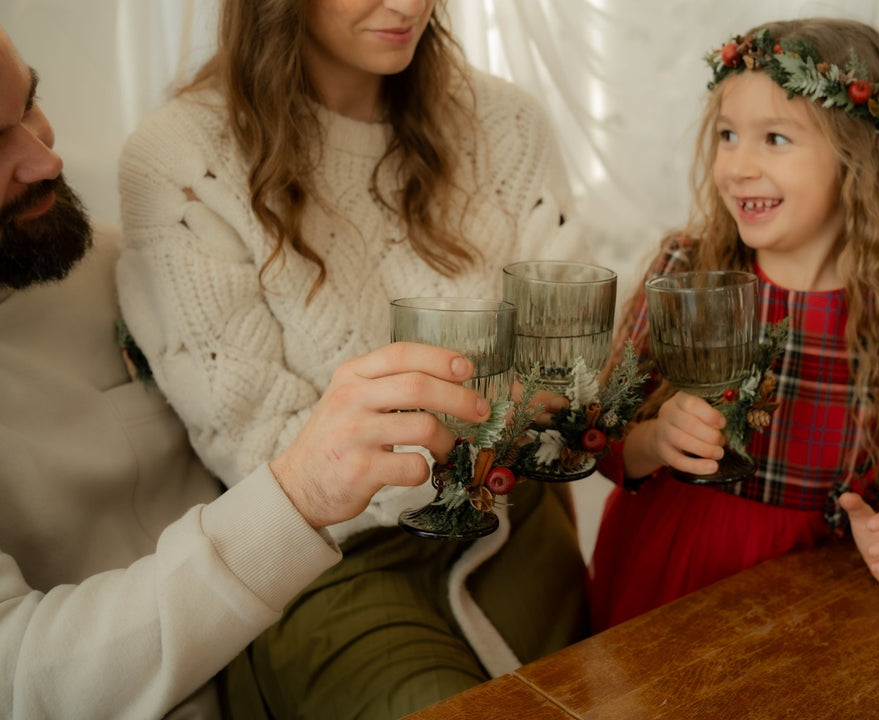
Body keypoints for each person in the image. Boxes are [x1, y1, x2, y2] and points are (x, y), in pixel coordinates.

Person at [0, 22, 498, 719]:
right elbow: (23, 683)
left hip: (326, 602)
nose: (45, 159)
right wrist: (295, 494)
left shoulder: (96, 251)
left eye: (29, 105)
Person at [115, 0, 588, 717]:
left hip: (508, 525)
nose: (407, 6)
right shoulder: (184, 162)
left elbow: (570, 362)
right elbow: (260, 446)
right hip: (328, 565)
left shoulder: (508, 125)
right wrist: (495, 416)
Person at [588, 17, 879, 632]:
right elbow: (601, 436)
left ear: (857, 157)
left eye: (775, 139)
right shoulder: (686, 270)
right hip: (672, 566)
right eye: (728, 134)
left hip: (823, 585)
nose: (737, 166)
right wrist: (657, 439)